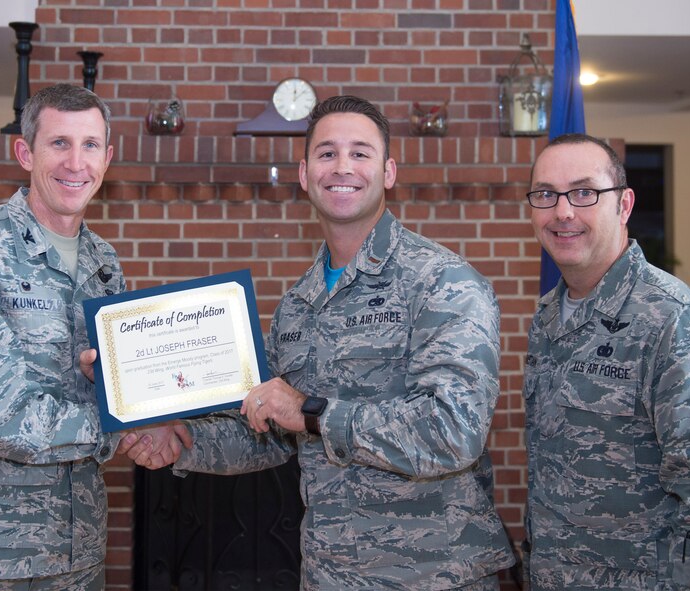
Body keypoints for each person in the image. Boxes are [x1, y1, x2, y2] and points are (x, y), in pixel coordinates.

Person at [112, 95, 516, 589]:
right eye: (326, 153)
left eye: (360, 153)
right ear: (304, 174)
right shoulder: (298, 306)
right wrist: (181, 440)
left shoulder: (442, 282)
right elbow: (275, 431)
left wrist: (312, 412)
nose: (342, 166)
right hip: (329, 573)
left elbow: (455, 431)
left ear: (388, 172)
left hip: (434, 575)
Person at [0, 83, 189, 590]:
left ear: (108, 157)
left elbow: (112, 385)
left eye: (90, 145)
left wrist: (163, 403)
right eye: (59, 143)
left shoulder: (104, 265)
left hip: (73, 560)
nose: (76, 162)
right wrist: (119, 428)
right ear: (25, 153)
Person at [521, 133, 690, 590]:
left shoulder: (670, 319)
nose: (563, 211)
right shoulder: (549, 315)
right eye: (546, 194)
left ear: (624, 205)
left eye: (585, 192)